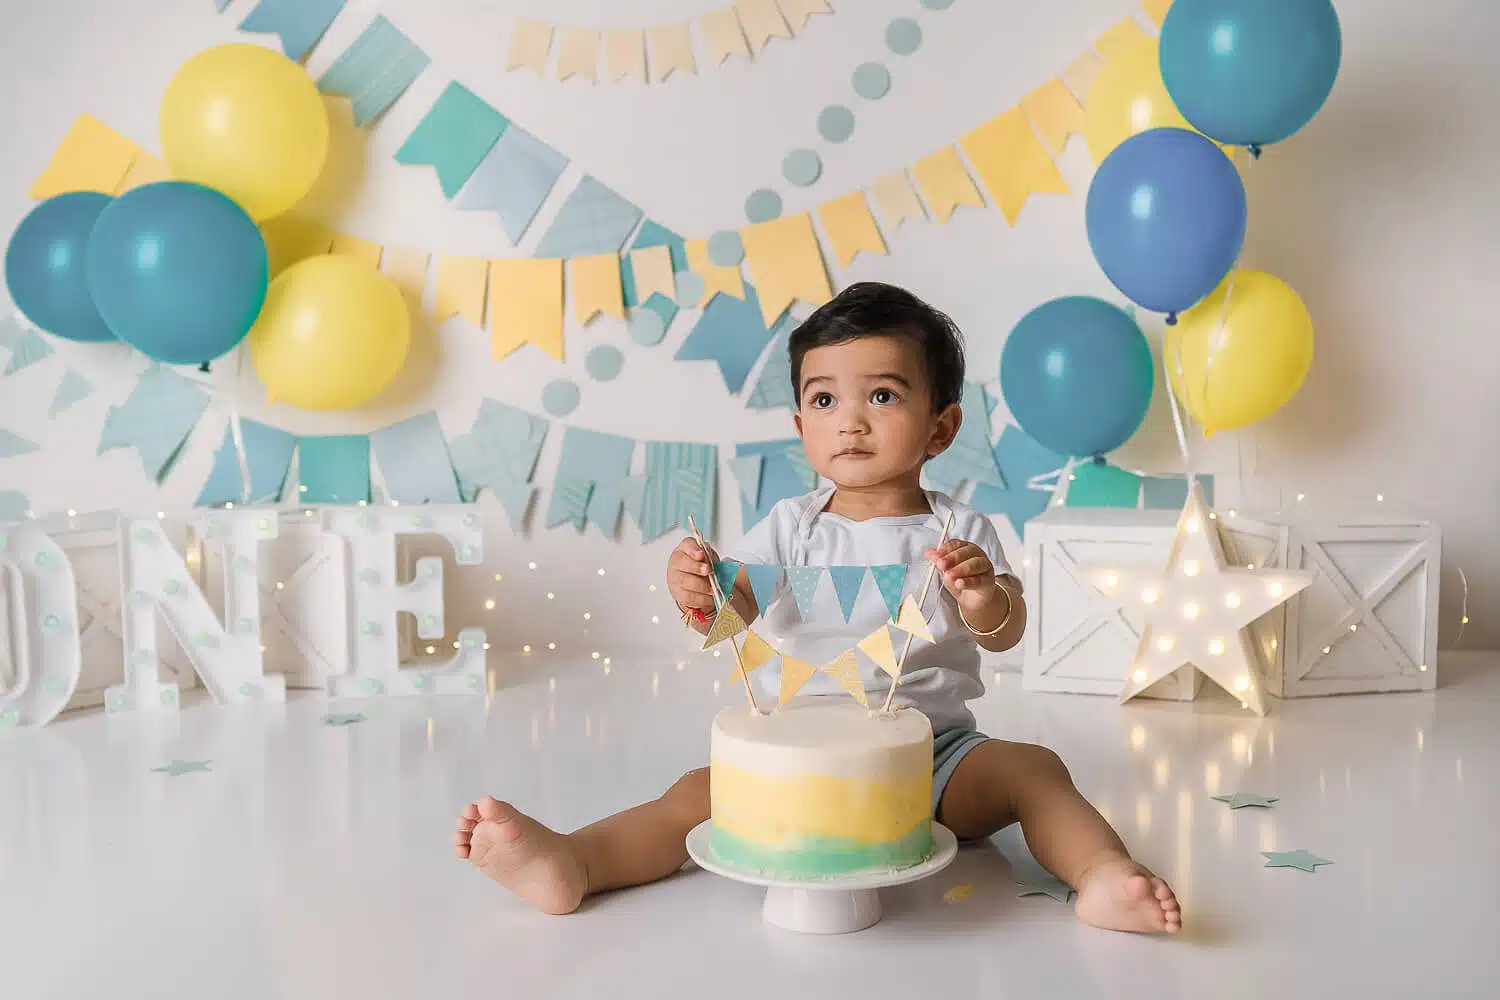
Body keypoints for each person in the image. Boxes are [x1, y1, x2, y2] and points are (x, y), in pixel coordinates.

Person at [453, 282, 1181, 934]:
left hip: (933, 760)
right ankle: (572, 863)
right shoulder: (789, 526)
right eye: (825, 399)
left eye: (884, 396)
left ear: (942, 428)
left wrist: (984, 595)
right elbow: (731, 617)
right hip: (789, 757)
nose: (851, 422)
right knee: (689, 799)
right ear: (801, 426)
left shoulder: (958, 531)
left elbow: (1004, 629)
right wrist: (702, 591)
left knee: (1034, 768)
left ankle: (1103, 876)